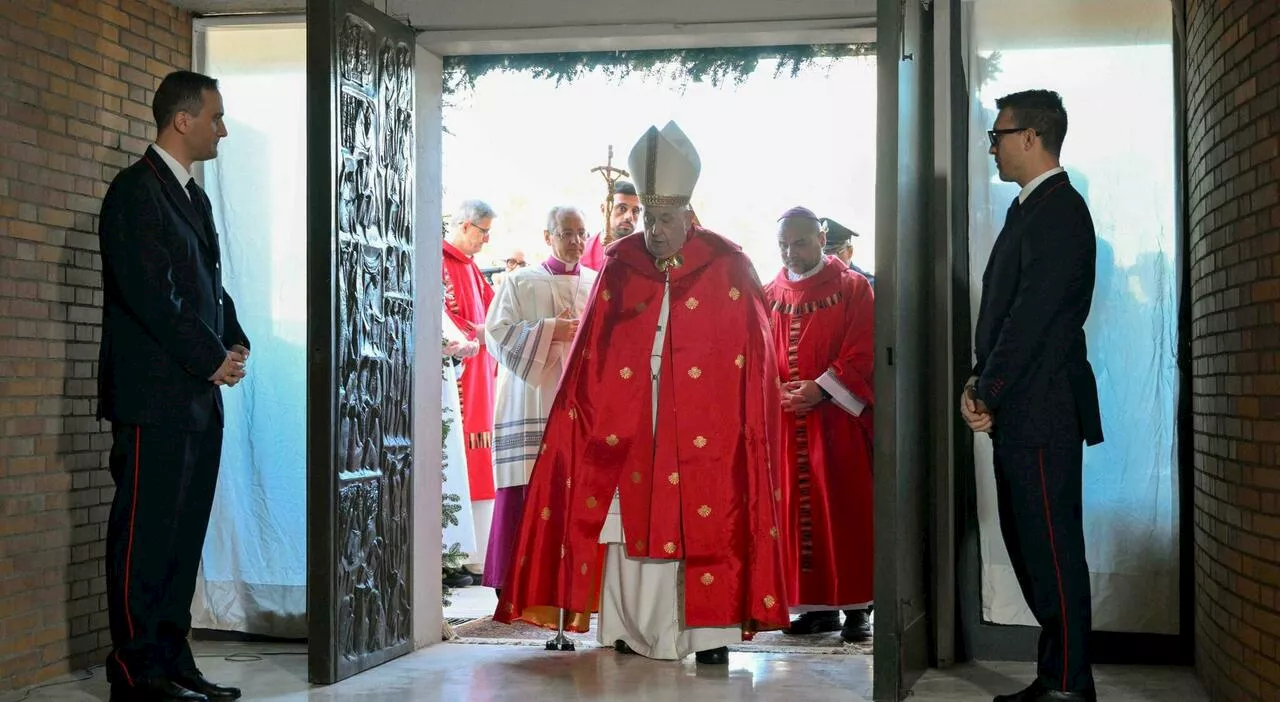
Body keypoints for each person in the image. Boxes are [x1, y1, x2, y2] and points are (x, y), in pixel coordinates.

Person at [493, 121, 790, 664]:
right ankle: (626, 627)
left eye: (665, 219)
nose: (653, 230)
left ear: (690, 217)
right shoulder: (621, 264)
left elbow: (755, 360)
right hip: (630, 419)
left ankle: (710, 634)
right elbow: (592, 353)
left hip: (707, 430)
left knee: (705, 515)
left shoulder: (729, 266)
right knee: (623, 524)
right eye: (648, 218)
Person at [97, 70, 247, 701]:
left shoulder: (192, 196)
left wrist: (233, 340)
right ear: (182, 120)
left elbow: (207, 287)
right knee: (146, 533)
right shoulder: (135, 192)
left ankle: (171, 656)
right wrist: (208, 356)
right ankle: (135, 671)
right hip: (153, 397)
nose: (223, 127)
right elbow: (154, 294)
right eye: (215, 116)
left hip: (195, 395)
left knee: (183, 535)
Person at [964, 89, 1104, 702]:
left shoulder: (1059, 209)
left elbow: (1033, 317)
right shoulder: (1030, 208)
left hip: (1042, 406)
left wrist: (987, 385)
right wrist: (981, 380)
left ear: (1030, 137)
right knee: (1031, 548)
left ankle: (1071, 685)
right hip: (1020, 406)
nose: (992, 146)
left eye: (997, 135)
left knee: (1052, 550)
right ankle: (1056, 676)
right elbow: (1006, 314)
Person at [765, 207, 876, 643]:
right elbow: (755, 354)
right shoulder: (767, 292)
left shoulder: (852, 288)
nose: (791, 253)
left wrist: (822, 388)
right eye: (783, 245)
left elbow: (863, 348)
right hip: (787, 421)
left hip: (837, 422)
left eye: (801, 243)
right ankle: (813, 608)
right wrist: (776, 392)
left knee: (845, 510)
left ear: (821, 237)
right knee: (794, 514)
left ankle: (856, 608)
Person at [481, 206, 597, 595]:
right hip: (531, 397)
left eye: (581, 233)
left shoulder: (597, 283)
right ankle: (514, 581)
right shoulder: (519, 282)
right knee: (526, 482)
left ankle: (572, 585)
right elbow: (495, 334)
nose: (576, 242)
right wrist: (551, 330)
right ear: (547, 236)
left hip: (581, 400)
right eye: (566, 233)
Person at [443, 199, 499, 583]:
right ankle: (452, 555)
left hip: (482, 378)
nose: (486, 240)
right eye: (482, 231)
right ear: (464, 226)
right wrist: (477, 333)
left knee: (480, 462)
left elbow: (493, 311)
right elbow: (444, 316)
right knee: (458, 461)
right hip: (458, 378)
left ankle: (475, 554)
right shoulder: (440, 262)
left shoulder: (471, 267)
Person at [580, 180, 641, 272]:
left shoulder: (646, 254)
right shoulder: (582, 251)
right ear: (604, 209)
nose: (629, 216)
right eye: (622, 208)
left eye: (635, 211)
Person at [820, 217, 874, 288]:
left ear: (849, 252)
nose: (827, 260)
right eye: (823, 255)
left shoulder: (867, 285)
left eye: (833, 255)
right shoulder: (815, 283)